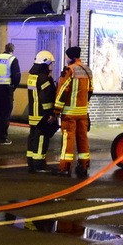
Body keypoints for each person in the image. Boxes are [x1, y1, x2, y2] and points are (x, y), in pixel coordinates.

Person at [54, 46, 94, 178]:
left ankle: (65, 167)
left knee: (68, 139)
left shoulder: (69, 70)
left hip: (69, 113)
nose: (65, 59)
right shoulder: (87, 70)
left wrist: (56, 110)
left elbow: (62, 91)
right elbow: (90, 90)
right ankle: (83, 165)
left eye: (66, 56)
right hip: (82, 112)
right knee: (83, 138)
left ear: (71, 57)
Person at [26, 50, 58, 172]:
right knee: (41, 139)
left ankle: (31, 164)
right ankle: (39, 165)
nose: (50, 68)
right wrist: (49, 114)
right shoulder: (44, 78)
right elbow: (45, 97)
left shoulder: (32, 76)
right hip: (42, 114)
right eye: (49, 65)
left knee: (32, 138)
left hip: (33, 114)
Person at [0, 43, 21, 145]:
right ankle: (3, 138)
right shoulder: (12, 59)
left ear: (5, 49)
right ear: (13, 50)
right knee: (5, 114)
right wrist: (13, 87)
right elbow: (16, 76)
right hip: (6, 89)